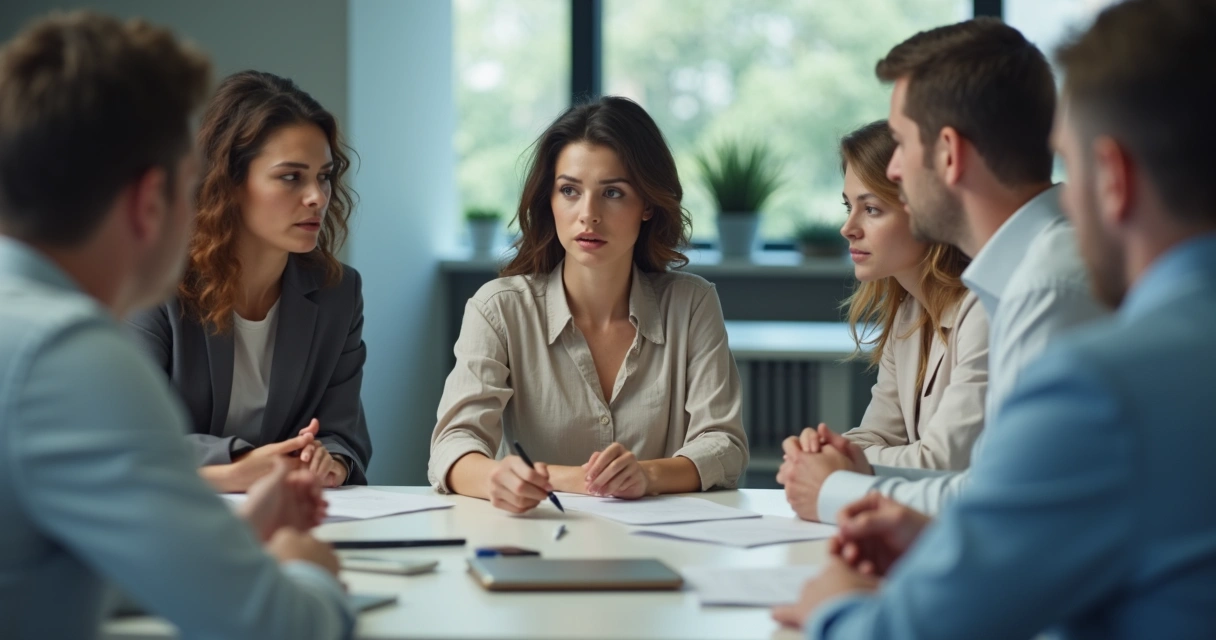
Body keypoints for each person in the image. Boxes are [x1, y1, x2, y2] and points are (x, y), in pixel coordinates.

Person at [775, 0, 1216, 636]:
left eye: (899, 146)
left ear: (1113, 177)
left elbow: (914, 630)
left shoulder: (1092, 373)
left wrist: (833, 606)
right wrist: (940, 536)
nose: (894, 169)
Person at [0, 12, 352, 638]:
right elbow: (274, 627)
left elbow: (57, 572)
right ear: (150, 199)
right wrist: (307, 570)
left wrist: (234, 538)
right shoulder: (69, 356)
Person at [779, 18, 1106, 523]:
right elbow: (992, 489)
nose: (894, 170)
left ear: (949, 154)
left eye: (902, 144)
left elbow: (1001, 509)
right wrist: (840, 466)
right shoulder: (1023, 274)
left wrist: (836, 486)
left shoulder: (1046, 287)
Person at [429, 96, 747, 513]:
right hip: (540, 540)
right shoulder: (498, 309)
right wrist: (511, 477)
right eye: (569, 191)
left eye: (613, 192)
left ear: (648, 204)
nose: (588, 214)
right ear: (550, 200)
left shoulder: (692, 304)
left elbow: (724, 445)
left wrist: (647, 475)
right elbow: (453, 445)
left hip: (664, 547)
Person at [128, 70, 372, 492]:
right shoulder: (155, 283)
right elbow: (126, 433)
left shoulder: (339, 293)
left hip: (291, 514)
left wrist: (329, 461)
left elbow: (345, 432)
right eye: (291, 176)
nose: (317, 196)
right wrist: (240, 462)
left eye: (325, 175)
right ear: (230, 183)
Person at [826, 120, 987, 470]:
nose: (848, 228)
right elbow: (876, 435)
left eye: (871, 209)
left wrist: (846, 463)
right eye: (848, 207)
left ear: (925, 211)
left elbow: (942, 461)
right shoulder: (909, 313)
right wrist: (831, 454)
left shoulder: (981, 310)